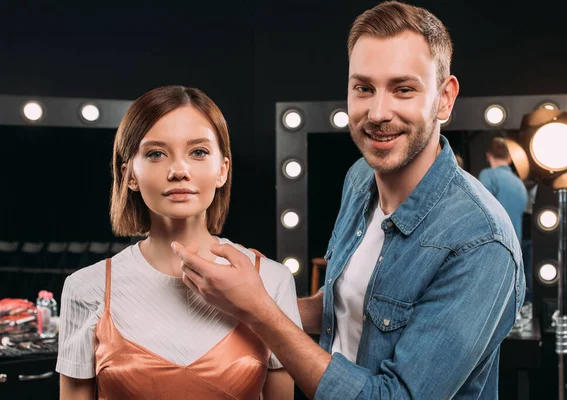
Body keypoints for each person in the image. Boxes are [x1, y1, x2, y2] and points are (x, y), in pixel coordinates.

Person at [173, 2, 525, 399]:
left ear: (445, 99)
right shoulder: (359, 179)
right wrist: (248, 297)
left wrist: (260, 311)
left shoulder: (481, 243)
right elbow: (344, 309)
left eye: (403, 89)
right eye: (363, 89)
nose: (377, 112)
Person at [56, 86, 300, 399]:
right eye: (156, 154)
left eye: (198, 152)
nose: (179, 171)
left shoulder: (273, 280)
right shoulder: (85, 288)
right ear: (129, 174)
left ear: (222, 170)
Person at [478, 137, 528, 242]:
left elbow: (481, 208)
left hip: (494, 243)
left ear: (488, 156)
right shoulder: (519, 183)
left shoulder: (488, 175)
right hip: (515, 245)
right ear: (509, 158)